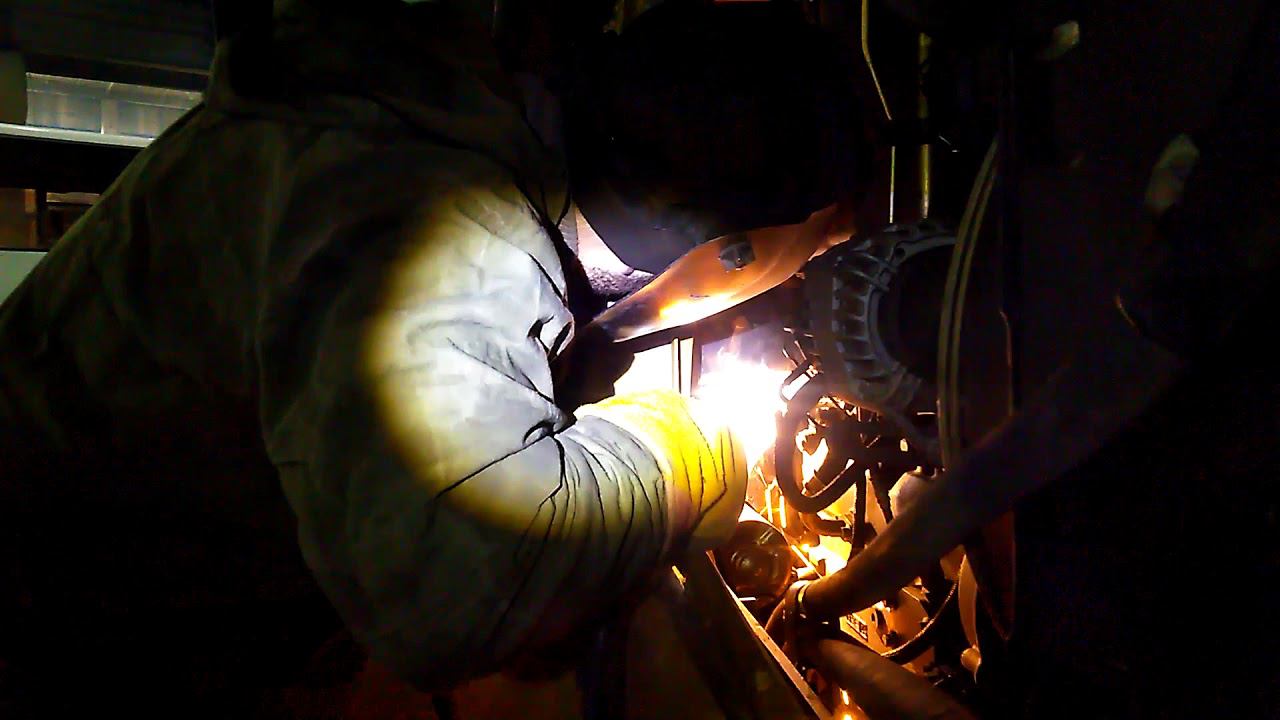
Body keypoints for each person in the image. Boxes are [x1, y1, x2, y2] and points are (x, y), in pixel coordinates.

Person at [0, 0, 863, 714]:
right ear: (727, 245)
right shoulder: (439, 214)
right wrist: (681, 453)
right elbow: (459, 589)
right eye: (815, 251)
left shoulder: (439, 120)